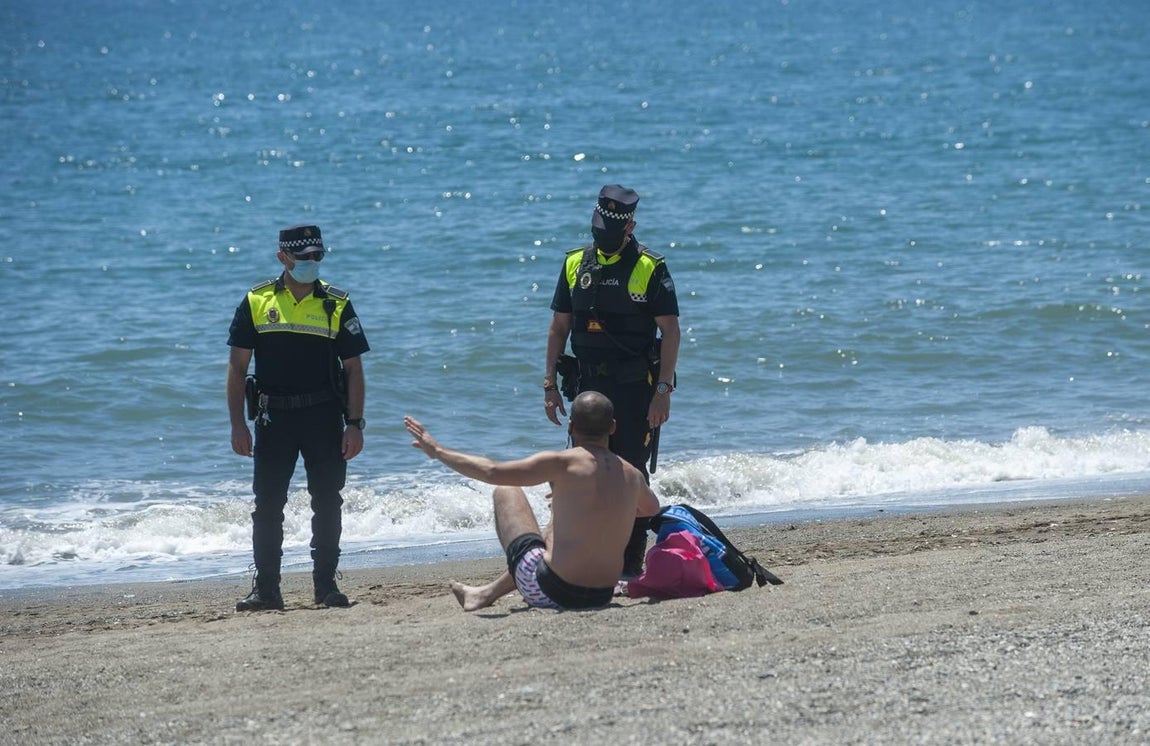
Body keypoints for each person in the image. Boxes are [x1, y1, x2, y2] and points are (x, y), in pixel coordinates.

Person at [404, 391, 660, 612]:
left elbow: (492, 471)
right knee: (560, 530)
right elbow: (651, 509)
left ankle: (485, 594)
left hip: (554, 592)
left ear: (571, 426)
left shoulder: (562, 463)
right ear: (613, 427)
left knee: (506, 490)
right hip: (602, 595)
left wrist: (438, 452)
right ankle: (483, 594)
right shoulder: (632, 475)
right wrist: (600, 510)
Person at [226, 224, 370, 611]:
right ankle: (267, 591)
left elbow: (354, 370)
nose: (312, 263)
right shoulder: (256, 301)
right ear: (283, 258)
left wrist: (354, 425)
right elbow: (237, 368)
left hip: (324, 417)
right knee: (268, 505)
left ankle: (326, 587)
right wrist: (238, 424)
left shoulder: (337, 303)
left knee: (327, 501)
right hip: (273, 420)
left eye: (317, 256)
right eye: (304, 257)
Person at [543, 184, 681, 577]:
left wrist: (663, 391)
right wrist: (549, 385)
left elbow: (670, 332)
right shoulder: (574, 263)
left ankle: (630, 562)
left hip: (636, 388)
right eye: (598, 227)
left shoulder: (650, 267)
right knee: (584, 469)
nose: (602, 235)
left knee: (631, 472)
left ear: (631, 225)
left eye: (610, 229)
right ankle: (584, 555)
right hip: (587, 388)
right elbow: (558, 329)